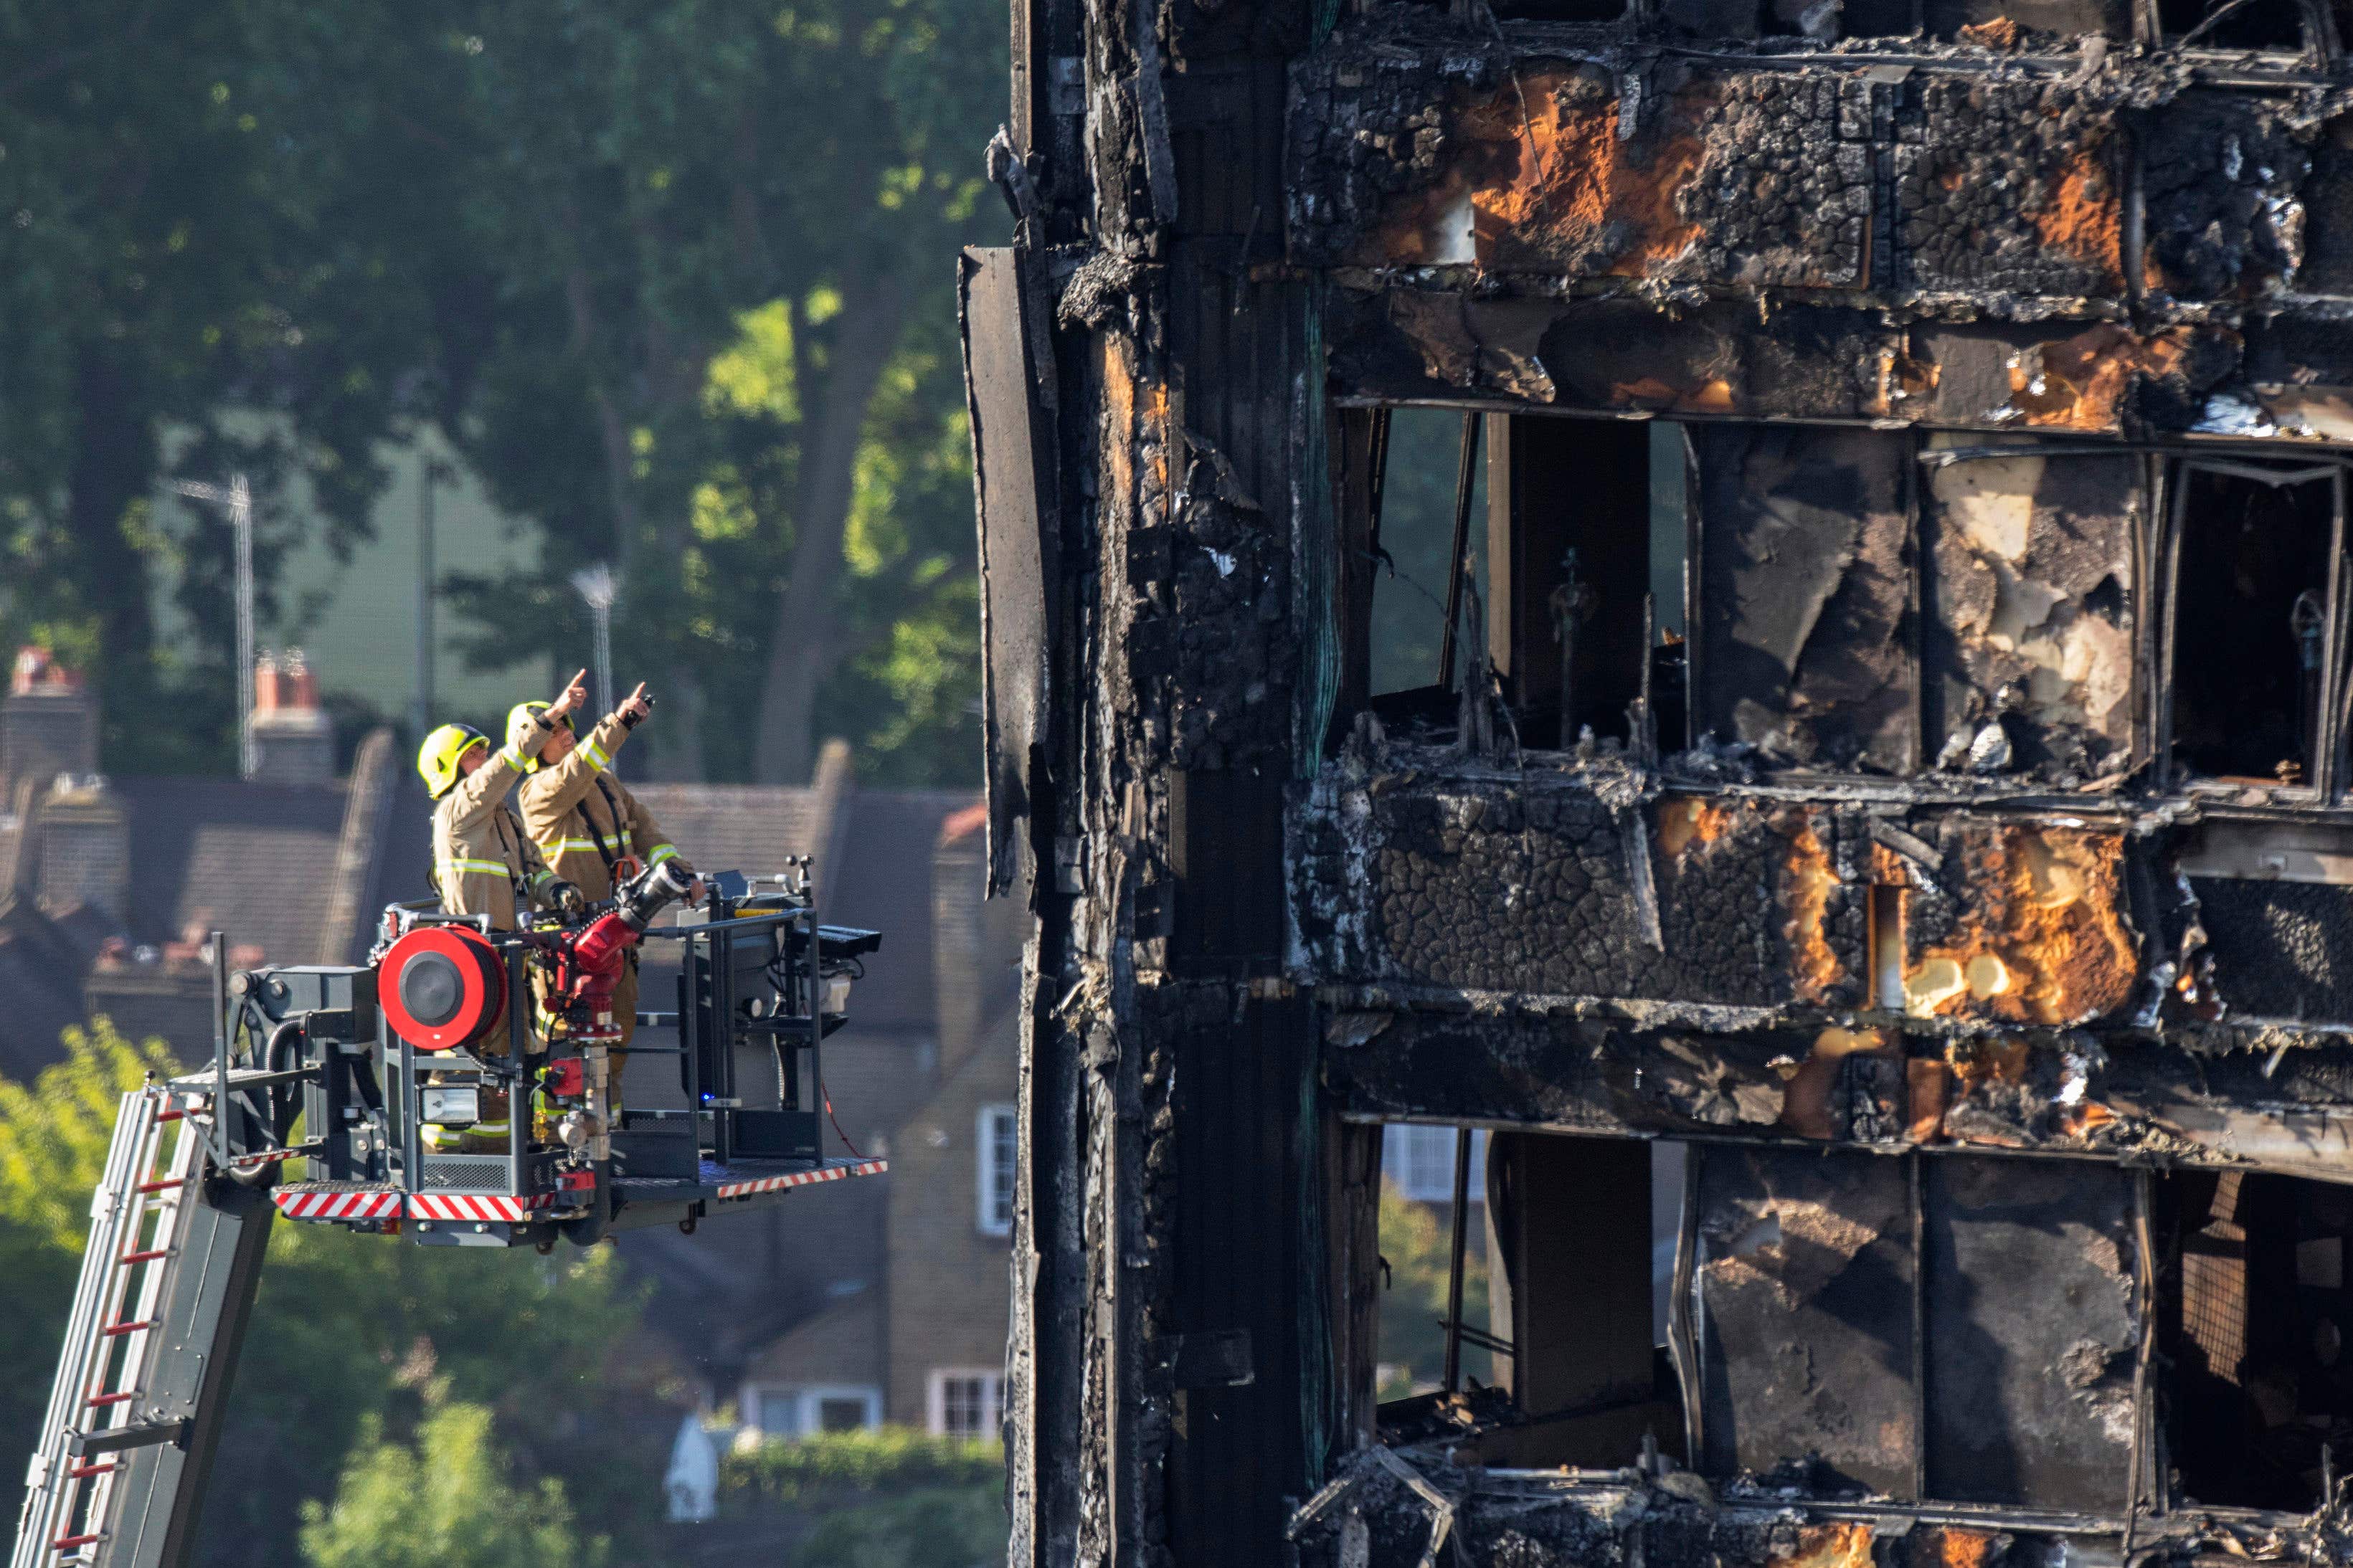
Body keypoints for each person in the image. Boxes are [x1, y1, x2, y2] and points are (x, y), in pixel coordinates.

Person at [412, 670, 591, 1148]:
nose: (485, 759)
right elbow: (508, 765)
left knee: (516, 1048)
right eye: (474, 754)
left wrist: (558, 892)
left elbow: (531, 870)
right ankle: (452, 1143)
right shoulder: (459, 810)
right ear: (452, 767)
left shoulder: (502, 819)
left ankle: (504, 1137)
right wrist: (549, 717)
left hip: (507, 952)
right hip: (473, 957)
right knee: (476, 1051)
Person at [511, 679, 699, 1121]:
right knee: (566, 1048)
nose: (565, 733)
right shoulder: (537, 791)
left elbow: (645, 829)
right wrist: (622, 721)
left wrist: (678, 868)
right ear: (533, 746)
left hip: (617, 938)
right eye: (555, 729)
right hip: (569, 947)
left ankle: (606, 1136)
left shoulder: (606, 784)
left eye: (566, 726)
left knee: (616, 1039)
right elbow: (577, 768)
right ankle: (554, 1137)